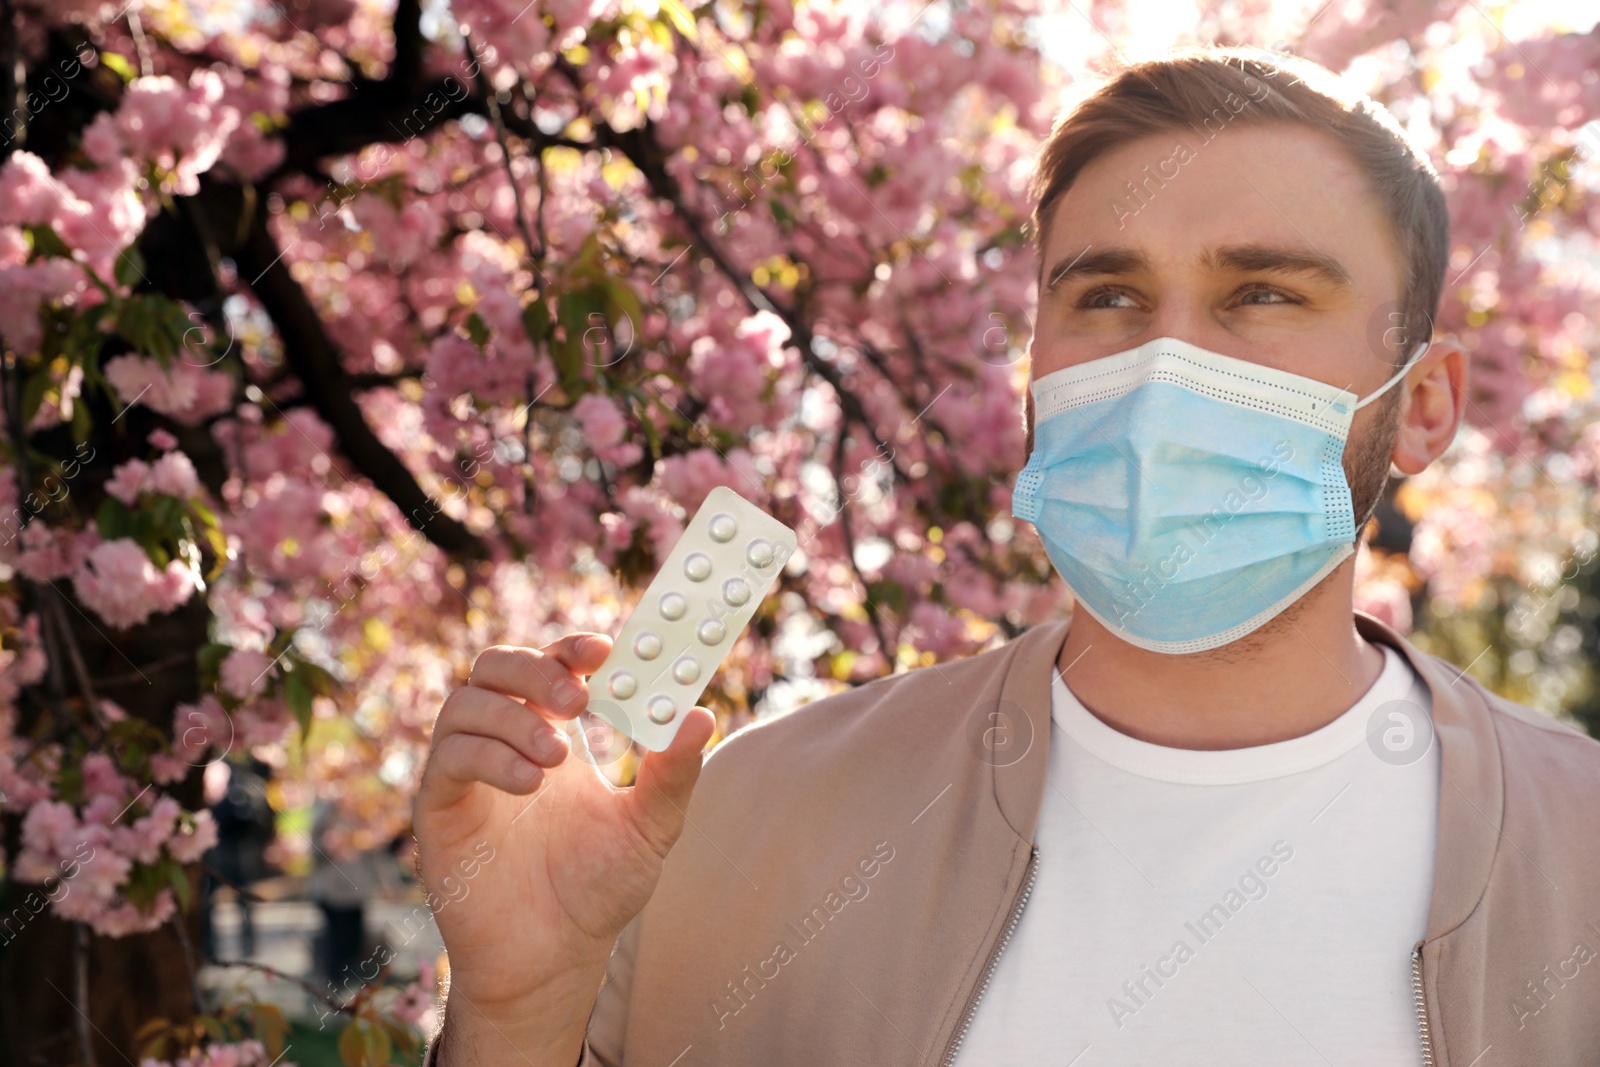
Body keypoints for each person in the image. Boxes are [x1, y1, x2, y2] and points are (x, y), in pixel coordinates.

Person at [413, 45, 1600, 1066]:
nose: (1164, 361)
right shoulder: (743, 826)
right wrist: (521, 1007)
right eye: (1109, 295)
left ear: (1429, 403)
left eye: (1262, 292)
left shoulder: (1578, 857)